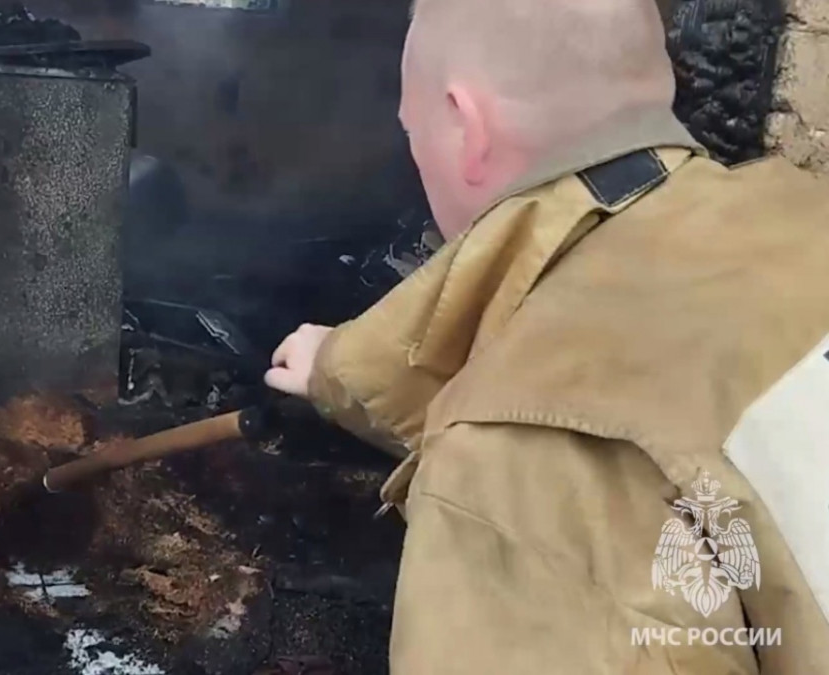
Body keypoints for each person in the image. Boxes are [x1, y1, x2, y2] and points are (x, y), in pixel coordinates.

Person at [264, 1, 829, 673]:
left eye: (412, 129)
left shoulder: (512, 467)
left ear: (468, 128)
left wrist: (480, 450)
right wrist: (343, 364)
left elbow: (558, 430)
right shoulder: (798, 212)